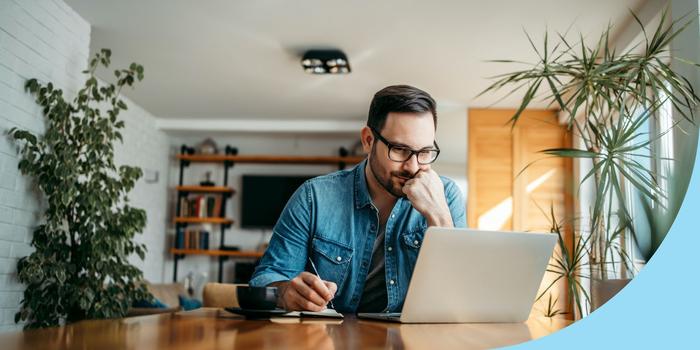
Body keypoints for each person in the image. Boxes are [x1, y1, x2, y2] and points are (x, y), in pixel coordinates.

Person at [249, 85, 466, 313]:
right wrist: (285, 293)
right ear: (368, 140)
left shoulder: (446, 196)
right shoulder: (314, 197)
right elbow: (265, 278)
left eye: (424, 152)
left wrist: (439, 217)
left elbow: (460, 296)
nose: (413, 166)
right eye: (400, 150)